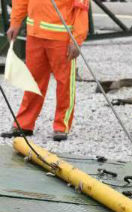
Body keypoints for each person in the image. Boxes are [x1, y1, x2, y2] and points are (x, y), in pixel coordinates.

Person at [0, 0, 89, 142]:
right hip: (35, 35)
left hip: (62, 39)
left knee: (64, 83)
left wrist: (76, 40)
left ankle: (61, 126)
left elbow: (81, 10)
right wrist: (15, 23)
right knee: (32, 81)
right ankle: (24, 124)